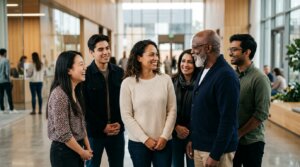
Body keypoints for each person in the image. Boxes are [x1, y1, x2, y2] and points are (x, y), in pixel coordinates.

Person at [187, 30, 240, 167]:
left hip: (216, 151)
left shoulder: (226, 76)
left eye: (195, 47)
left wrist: (215, 154)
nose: (192, 51)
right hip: (201, 145)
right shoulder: (204, 70)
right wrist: (193, 139)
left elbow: (228, 120)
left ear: (208, 47)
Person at [120, 40, 177, 167]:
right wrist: (145, 139)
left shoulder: (166, 80)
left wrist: (164, 137)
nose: (155, 58)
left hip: (164, 142)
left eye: (156, 54)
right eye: (151, 54)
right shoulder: (128, 83)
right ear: (139, 57)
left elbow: (172, 110)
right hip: (138, 144)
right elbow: (126, 115)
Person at [229, 34, 271, 167]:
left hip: (252, 142)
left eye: (234, 50)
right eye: (230, 49)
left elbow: (261, 113)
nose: (230, 53)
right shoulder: (231, 76)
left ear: (247, 52)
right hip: (231, 141)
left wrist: (239, 133)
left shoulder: (260, 78)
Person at [84, 34, 125, 167]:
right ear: (91, 52)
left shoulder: (119, 73)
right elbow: (84, 107)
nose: (106, 52)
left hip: (117, 132)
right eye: (100, 49)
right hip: (94, 134)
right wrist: (103, 127)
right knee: (92, 165)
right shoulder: (86, 75)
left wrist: (120, 123)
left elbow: (125, 102)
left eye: (107, 48)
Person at [47, 50, 93, 167]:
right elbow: (64, 133)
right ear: (68, 70)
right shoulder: (59, 95)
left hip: (76, 147)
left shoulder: (76, 91)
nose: (85, 68)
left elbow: (81, 122)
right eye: (81, 64)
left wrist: (87, 144)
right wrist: (82, 152)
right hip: (63, 152)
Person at [171, 49, 199, 167]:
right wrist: (176, 127)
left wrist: (192, 137)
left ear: (196, 64)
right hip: (174, 134)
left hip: (194, 135)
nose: (185, 65)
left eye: (190, 62)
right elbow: (166, 109)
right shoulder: (171, 82)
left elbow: (202, 113)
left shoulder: (201, 83)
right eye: (183, 61)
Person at [0, 48, 17, 113]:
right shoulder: (6, 60)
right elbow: (7, 72)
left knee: (1, 96)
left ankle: (2, 109)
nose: (6, 54)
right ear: (4, 53)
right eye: (6, 53)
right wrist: (10, 80)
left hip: (0, 81)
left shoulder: (0, 61)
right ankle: (11, 109)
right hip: (6, 81)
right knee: (9, 95)